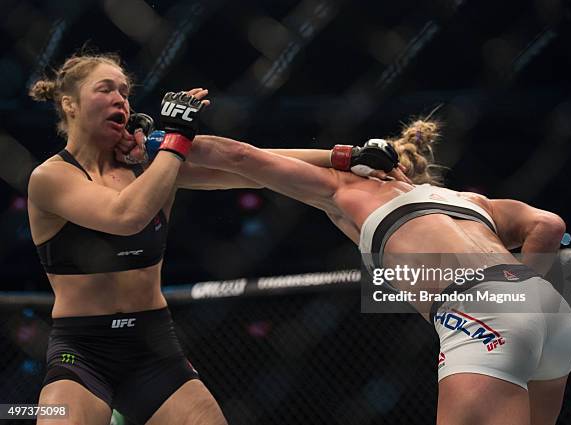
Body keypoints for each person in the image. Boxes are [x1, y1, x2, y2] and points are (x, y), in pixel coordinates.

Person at [27, 51, 382, 425]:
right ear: (69, 103)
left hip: (152, 348)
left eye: (125, 91)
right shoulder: (51, 178)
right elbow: (125, 216)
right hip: (82, 352)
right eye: (105, 89)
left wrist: (344, 157)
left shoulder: (153, 165)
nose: (120, 99)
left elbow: (256, 166)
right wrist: (175, 141)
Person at [178, 122, 571, 425]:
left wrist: (167, 140)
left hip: (480, 315)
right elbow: (550, 225)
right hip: (552, 314)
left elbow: (241, 158)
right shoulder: (469, 200)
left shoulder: (349, 189)